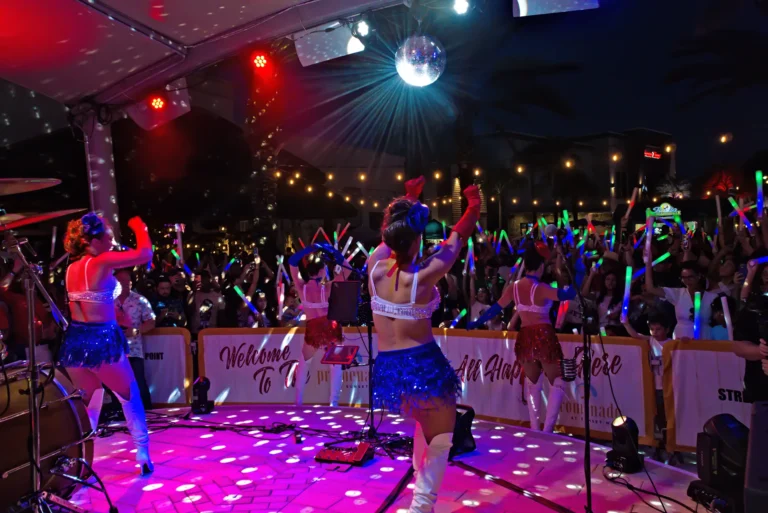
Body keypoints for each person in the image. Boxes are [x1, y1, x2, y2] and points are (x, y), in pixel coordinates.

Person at [367, 176, 479, 512]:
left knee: (425, 427)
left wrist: (410, 199)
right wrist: (473, 205)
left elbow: (393, 234)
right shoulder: (424, 276)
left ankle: (419, 489)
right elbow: (457, 238)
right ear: (416, 239)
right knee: (442, 438)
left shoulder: (373, 265)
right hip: (423, 367)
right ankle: (421, 506)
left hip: (389, 369)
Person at [59, 213, 154, 475]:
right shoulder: (101, 262)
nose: (112, 243)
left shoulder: (71, 269)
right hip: (101, 339)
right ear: (93, 239)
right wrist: (140, 227)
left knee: (91, 401)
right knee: (129, 394)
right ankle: (143, 452)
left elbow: (91, 301)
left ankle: (82, 458)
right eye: (109, 238)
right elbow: (145, 254)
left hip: (77, 342)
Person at [470, 240, 576, 433]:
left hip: (526, 336)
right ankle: (548, 431)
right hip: (543, 335)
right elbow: (567, 295)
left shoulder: (514, 287)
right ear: (541, 266)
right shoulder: (542, 288)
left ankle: (536, 430)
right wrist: (577, 270)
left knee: (533, 384)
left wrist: (476, 323)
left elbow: (496, 308)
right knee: (557, 382)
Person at [287, 243, 348, 407]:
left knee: (303, 363)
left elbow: (292, 261)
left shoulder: (301, 288)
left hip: (312, 327)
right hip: (330, 327)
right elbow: (347, 270)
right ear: (322, 271)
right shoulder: (327, 288)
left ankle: (297, 402)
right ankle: (333, 403)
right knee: (336, 366)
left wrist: (309, 249)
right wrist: (333, 251)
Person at [622, 315, 672, 443]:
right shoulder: (651, 340)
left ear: (667, 329)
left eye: (658, 329)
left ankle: (668, 441)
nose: (655, 332)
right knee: (655, 414)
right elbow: (635, 335)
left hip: (668, 386)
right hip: (653, 385)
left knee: (666, 415)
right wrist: (626, 324)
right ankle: (657, 441)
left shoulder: (672, 343)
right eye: (652, 329)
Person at [114, 267, 156, 410]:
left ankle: (147, 414)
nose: (125, 284)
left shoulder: (140, 300)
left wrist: (136, 331)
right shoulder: (107, 301)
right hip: (113, 351)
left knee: (138, 383)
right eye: (120, 281)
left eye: (127, 281)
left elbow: (151, 321)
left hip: (134, 350)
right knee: (115, 385)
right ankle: (119, 414)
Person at [645, 259, 717, 339]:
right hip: (681, 338)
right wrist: (648, 265)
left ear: (698, 276)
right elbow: (651, 288)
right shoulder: (678, 293)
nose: (687, 281)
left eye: (690, 277)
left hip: (704, 338)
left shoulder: (712, 297)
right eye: (684, 278)